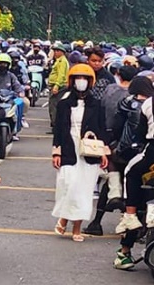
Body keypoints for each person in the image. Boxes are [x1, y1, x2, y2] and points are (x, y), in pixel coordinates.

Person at [51, 62, 108, 240]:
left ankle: (75, 227)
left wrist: (104, 152)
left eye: (85, 78)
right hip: (68, 148)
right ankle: (64, 217)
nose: (81, 81)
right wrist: (56, 151)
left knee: (83, 190)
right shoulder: (63, 104)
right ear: (72, 80)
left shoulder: (97, 104)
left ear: (90, 82)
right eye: (78, 78)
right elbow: (58, 129)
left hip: (89, 151)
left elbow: (102, 129)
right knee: (67, 185)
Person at [85, 58, 138, 235]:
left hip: (108, 139)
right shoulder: (135, 98)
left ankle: (97, 222)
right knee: (130, 181)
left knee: (111, 178)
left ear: (117, 75)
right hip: (129, 143)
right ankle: (131, 224)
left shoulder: (109, 90)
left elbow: (100, 109)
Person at [112, 74, 154, 270]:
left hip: (149, 155)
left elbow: (140, 134)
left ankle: (125, 249)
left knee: (132, 176)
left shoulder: (146, 105)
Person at [0, 51, 27, 134]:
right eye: (0, 64)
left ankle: (19, 122)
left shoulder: (11, 76)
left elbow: (17, 86)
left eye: (4, 64)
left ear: (8, 65)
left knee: (21, 102)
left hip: (10, 99)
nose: (2, 66)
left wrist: (20, 92)